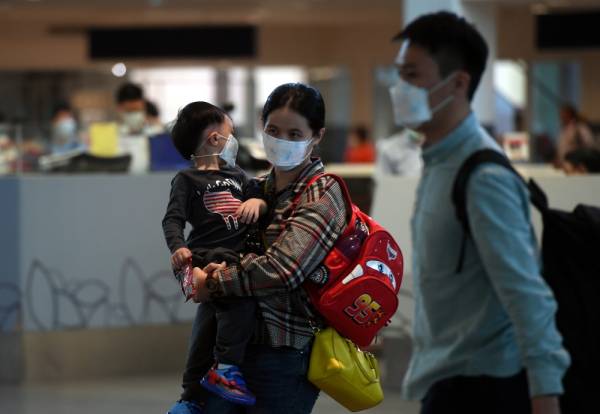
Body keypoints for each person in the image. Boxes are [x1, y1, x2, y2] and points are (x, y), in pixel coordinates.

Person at [388, 12, 570, 414]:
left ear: (458, 83)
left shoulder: (482, 175)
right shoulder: (440, 162)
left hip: (483, 387)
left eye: (413, 74)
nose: (400, 87)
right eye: (399, 73)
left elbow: (527, 295)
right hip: (447, 379)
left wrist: (546, 394)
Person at [187, 83, 348, 414]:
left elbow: (283, 269)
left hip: (283, 354)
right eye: (273, 130)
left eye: (294, 133)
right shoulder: (254, 186)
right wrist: (200, 268)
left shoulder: (321, 195)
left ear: (317, 135)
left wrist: (216, 281)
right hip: (228, 348)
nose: (282, 141)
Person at [163, 102, 269, 413]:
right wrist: (177, 247)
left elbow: (258, 194)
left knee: (206, 328)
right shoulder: (186, 180)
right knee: (241, 304)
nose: (233, 140)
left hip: (232, 256)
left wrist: (256, 203)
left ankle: (190, 396)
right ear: (214, 139)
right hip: (204, 255)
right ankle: (226, 368)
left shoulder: (236, 173)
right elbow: (172, 218)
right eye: (230, 134)